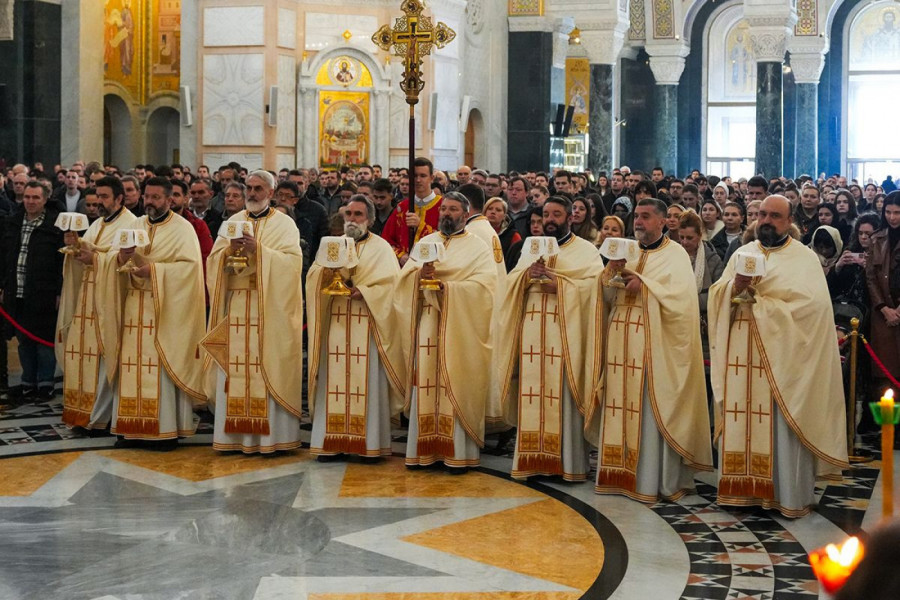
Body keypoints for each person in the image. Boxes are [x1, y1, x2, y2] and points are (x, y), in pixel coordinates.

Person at [708, 195, 849, 517]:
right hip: (741, 353)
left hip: (784, 361)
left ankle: (785, 493)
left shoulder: (803, 258)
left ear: (789, 221)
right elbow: (718, 294)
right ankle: (741, 490)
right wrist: (733, 288)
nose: (766, 221)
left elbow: (811, 311)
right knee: (740, 418)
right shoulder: (743, 253)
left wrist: (761, 302)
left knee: (781, 426)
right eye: (761, 215)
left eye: (775, 216)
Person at [590, 199, 713, 502]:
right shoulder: (626, 251)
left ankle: (649, 479)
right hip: (620, 342)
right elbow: (604, 295)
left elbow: (682, 302)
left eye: (646, 217)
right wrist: (610, 275)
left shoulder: (675, 256)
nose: (639, 222)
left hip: (654, 347)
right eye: (637, 217)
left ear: (662, 222)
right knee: (620, 404)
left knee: (647, 410)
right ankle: (619, 474)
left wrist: (643, 285)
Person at [496, 196, 603, 481]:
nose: (550, 219)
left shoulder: (586, 251)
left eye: (557, 214)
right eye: (546, 214)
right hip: (532, 334)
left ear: (571, 217)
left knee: (564, 397)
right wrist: (525, 277)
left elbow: (595, 289)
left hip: (564, 336)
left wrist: (561, 285)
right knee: (532, 395)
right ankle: (532, 460)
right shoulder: (531, 247)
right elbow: (510, 283)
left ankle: (568, 465)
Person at [96, 176, 207, 450]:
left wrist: (154, 271)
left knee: (159, 367)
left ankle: (164, 429)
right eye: (147, 197)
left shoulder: (183, 229)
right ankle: (129, 428)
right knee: (130, 366)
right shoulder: (134, 225)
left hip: (165, 312)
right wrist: (121, 258)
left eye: (156, 198)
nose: (150, 202)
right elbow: (112, 257)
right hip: (133, 308)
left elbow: (190, 270)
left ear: (170, 200)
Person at [393, 192, 496, 472]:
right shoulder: (426, 242)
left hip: (460, 329)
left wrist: (447, 287)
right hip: (427, 322)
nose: (447, 214)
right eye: (445, 210)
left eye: (453, 210)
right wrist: (419, 277)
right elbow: (402, 281)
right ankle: (423, 450)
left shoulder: (477, 247)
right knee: (425, 379)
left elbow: (486, 288)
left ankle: (458, 453)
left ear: (465, 214)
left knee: (456, 381)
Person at [203, 170, 304, 454]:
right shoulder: (233, 222)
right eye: (249, 188)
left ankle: (270, 440)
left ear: (270, 193)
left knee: (265, 368)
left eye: (258, 188)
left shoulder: (284, 224)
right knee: (234, 371)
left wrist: (260, 250)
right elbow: (214, 260)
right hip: (236, 309)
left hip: (268, 311)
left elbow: (292, 265)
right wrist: (226, 253)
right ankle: (232, 438)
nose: (252, 193)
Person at [306, 195, 404, 459]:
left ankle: (367, 445)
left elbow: (392, 287)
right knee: (333, 382)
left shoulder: (381, 248)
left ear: (370, 219)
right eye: (349, 214)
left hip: (367, 326)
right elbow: (313, 276)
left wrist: (366, 291)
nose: (352, 219)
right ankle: (332, 442)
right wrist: (326, 275)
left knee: (366, 384)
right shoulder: (332, 245)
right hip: (336, 322)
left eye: (359, 215)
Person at [57, 176, 137, 429]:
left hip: (110, 303)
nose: (99, 203)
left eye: (104, 197)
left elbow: (125, 259)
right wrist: (75, 247)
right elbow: (90, 251)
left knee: (103, 358)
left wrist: (95, 258)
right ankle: (81, 411)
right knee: (83, 357)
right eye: (97, 197)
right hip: (87, 301)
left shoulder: (131, 224)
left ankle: (100, 417)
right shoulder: (98, 224)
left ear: (119, 198)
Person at [1, 182, 64, 401]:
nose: (30, 201)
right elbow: (5, 255)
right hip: (16, 290)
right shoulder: (13, 222)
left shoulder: (55, 225)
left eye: (35, 197)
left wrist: (59, 291)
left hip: (44, 292)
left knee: (43, 340)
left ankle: (45, 383)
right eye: (27, 197)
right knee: (24, 340)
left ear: (45, 199)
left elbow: (61, 262)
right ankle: (28, 382)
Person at [866, 191, 900, 399]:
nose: (892, 217)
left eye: (897, 212)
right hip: (883, 314)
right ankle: (887, 426)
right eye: (888, 212)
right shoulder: (877, 238)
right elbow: (870, 277)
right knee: (885, 374)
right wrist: (883, 308)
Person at [677, 210, 724, 359]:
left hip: (703, 323)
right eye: (681, 237)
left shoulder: (713, 260)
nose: (684, 242)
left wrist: (692, 301)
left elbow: (718, 293)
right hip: (678, 320)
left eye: (689, 238)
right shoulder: (673, 256)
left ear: (699, 236)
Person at [381, 157, 443, 264]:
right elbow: (386, 239)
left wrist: (421, 226)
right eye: (415, 176)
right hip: (404, 267)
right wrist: (400, 255)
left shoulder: (443, 206)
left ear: (432, 178)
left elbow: (446, 241)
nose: (418, 180)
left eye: (423, 176)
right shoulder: (402, 207)